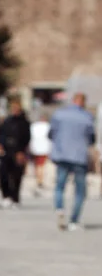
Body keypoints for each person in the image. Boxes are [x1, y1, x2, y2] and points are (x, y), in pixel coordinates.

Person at [49, 93, 96, 231]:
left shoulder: (59, 114)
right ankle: (74, 220)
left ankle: (59, 208)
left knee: (60, 185)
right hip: (79, 156)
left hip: (62, 154)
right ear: (83, 102)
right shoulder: (87, 117)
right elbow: (91, 138)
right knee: (80, 190)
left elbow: (51, 134)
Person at [0, 98, 31, 208]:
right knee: (3, 174)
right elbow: (0, 134)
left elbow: (26, 138)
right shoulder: (7, 121)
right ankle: (6, 196)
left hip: (18, 151)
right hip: (6, 151)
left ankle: (15, 198)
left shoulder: (24, 123)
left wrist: (22, 151)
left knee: (17, 176)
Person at [29, 111, 51, 192]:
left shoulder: (34, 126)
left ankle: (39, 179)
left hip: (36, 148)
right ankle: (39, 180)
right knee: (41, 165)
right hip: (43, 148)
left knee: (38, 165)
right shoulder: (48, 126)